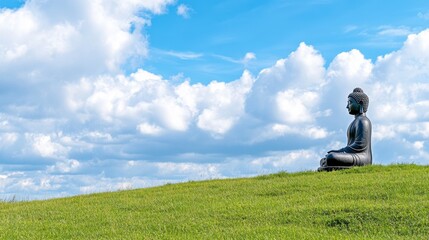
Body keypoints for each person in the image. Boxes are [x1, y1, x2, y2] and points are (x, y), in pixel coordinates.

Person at [319, 88, 372, 171]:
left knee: (331, 157)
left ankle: (329, 163)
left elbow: (360, 146)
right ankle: (328, 163)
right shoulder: (355, 122)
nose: (347, 106)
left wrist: (341, 151)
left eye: (350, 103)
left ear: (360, 103)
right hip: (353, 154)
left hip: (362, 157)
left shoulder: (363, 121)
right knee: (326, 158)